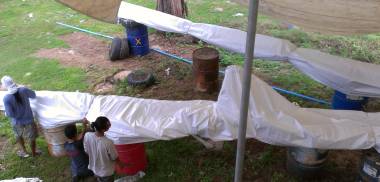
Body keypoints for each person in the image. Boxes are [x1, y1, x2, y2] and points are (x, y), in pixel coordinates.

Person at [1, 75, 40, 157]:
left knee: (18, 135)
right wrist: (22, 86)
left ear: (4, 86)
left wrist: (6, 112)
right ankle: (34, 153)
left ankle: (24, 152)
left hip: (17, 121)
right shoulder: (23, 90)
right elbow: (33, 95)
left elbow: (10, 114)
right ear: (13, 81)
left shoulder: (6, 98)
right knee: (31, 137)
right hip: (29, 119)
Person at [83, 116, 125, 182]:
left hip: (95, 169)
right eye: (108, 124)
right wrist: (120, 164)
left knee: (99, 180)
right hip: (106, 172)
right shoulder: (108, 142)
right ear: (103, 130)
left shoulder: (87, 135)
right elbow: (114, 157)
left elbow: (86, 151)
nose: (110, 125)